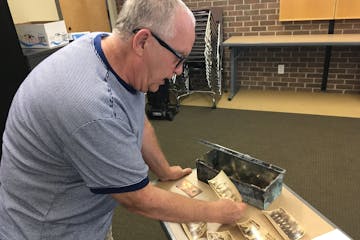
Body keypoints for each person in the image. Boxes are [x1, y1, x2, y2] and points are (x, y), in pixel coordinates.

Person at [0, 0, 247, 239]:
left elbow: (136, 116)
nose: (179, 70)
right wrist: (216, 212)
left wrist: (163, 170)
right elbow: (138, 199)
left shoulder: (109, 48)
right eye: (177, 58)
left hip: (84, 214)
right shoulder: (92, 107)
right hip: (50, 230)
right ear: (142, 41)